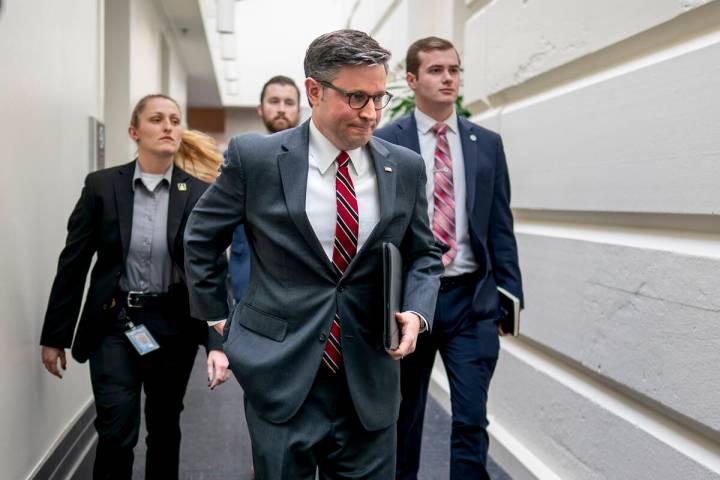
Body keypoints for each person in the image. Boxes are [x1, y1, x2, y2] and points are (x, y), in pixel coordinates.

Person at [184, 29, 443, 479]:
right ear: (314, 90)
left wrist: (417, 314)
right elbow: (201, 239)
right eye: (357, 98)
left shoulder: (404, 167)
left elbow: (424, 254)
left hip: (370, 378)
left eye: (380, 99)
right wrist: (223, 321)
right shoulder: (257, 159)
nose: (372, 114)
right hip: (281, 376)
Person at [40, 94, 227, 480]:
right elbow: (73, 264)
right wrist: (55, 335)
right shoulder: (102, 187)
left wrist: (215, 342)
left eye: (175, 120)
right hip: (114, 322)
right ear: (134, 131)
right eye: (157, 119)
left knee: (164, 427)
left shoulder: (198, 194)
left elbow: (211, 272)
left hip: (173, 324)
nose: (168, 126)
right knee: (116, 430)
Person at [375, 37, 524, 480]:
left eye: (454, 70)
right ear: (412, 79)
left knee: (471, 420)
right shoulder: (386, 141)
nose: (448, 78)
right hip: (411, 302)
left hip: (473, 301)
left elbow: (501, 222)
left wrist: (510, 295)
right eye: (436, 70)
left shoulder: (487, 144)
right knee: (405, 417)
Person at [229, 75, 301, 302]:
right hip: (247, 274)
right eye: (274, 101)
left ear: (299, 110)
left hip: (301, 279)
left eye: (289, 103)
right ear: (260, 109)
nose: (281, 109)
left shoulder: (316, 160)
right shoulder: (238, 156)